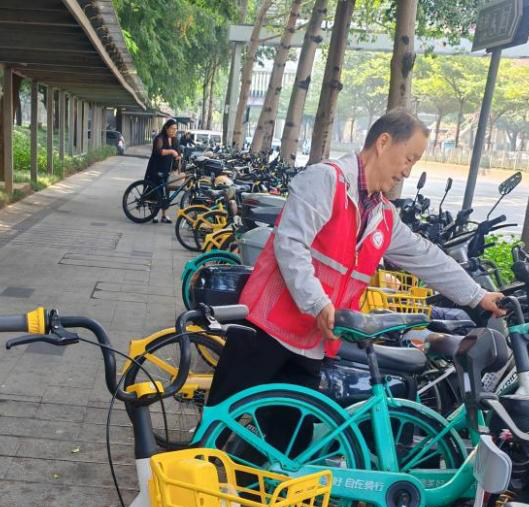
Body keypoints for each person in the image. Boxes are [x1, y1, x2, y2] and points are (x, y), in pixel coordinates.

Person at [207, 108, 507, 445]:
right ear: (383, 142)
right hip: (266, 327)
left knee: (287, 446)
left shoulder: (382, 214)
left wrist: (477, 295)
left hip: (312, 342)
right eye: (408, 158)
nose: (407, 171)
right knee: (218, 423)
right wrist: (318, 303)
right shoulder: (326, 180)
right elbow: (291, 245)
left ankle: (253, 494)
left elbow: (424, 255)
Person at [145, 119, 182, 223]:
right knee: (155, 191)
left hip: (166, 169)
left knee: (165, 193)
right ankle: (154, 214)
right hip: (156, 167)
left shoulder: (175, 140)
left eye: (175, 129)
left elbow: (178, 152)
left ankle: (164, 215)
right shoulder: (159, 138)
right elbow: (158, 151)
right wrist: (171, 151)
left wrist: (179, 156)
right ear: (166, 128)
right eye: (172, 129)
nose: (174, 131)